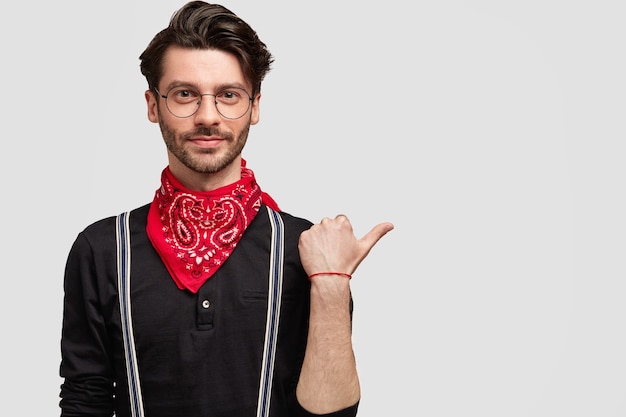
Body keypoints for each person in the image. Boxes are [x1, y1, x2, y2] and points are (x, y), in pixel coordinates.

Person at [58, 2, 394, 416]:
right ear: (152, 105)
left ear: (253, 107)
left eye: (228, 95)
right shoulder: (102, 248)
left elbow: (331, 416)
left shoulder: (306, 248)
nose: (207, 116)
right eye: (184, 94)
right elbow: (84, 400)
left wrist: (331, 284)